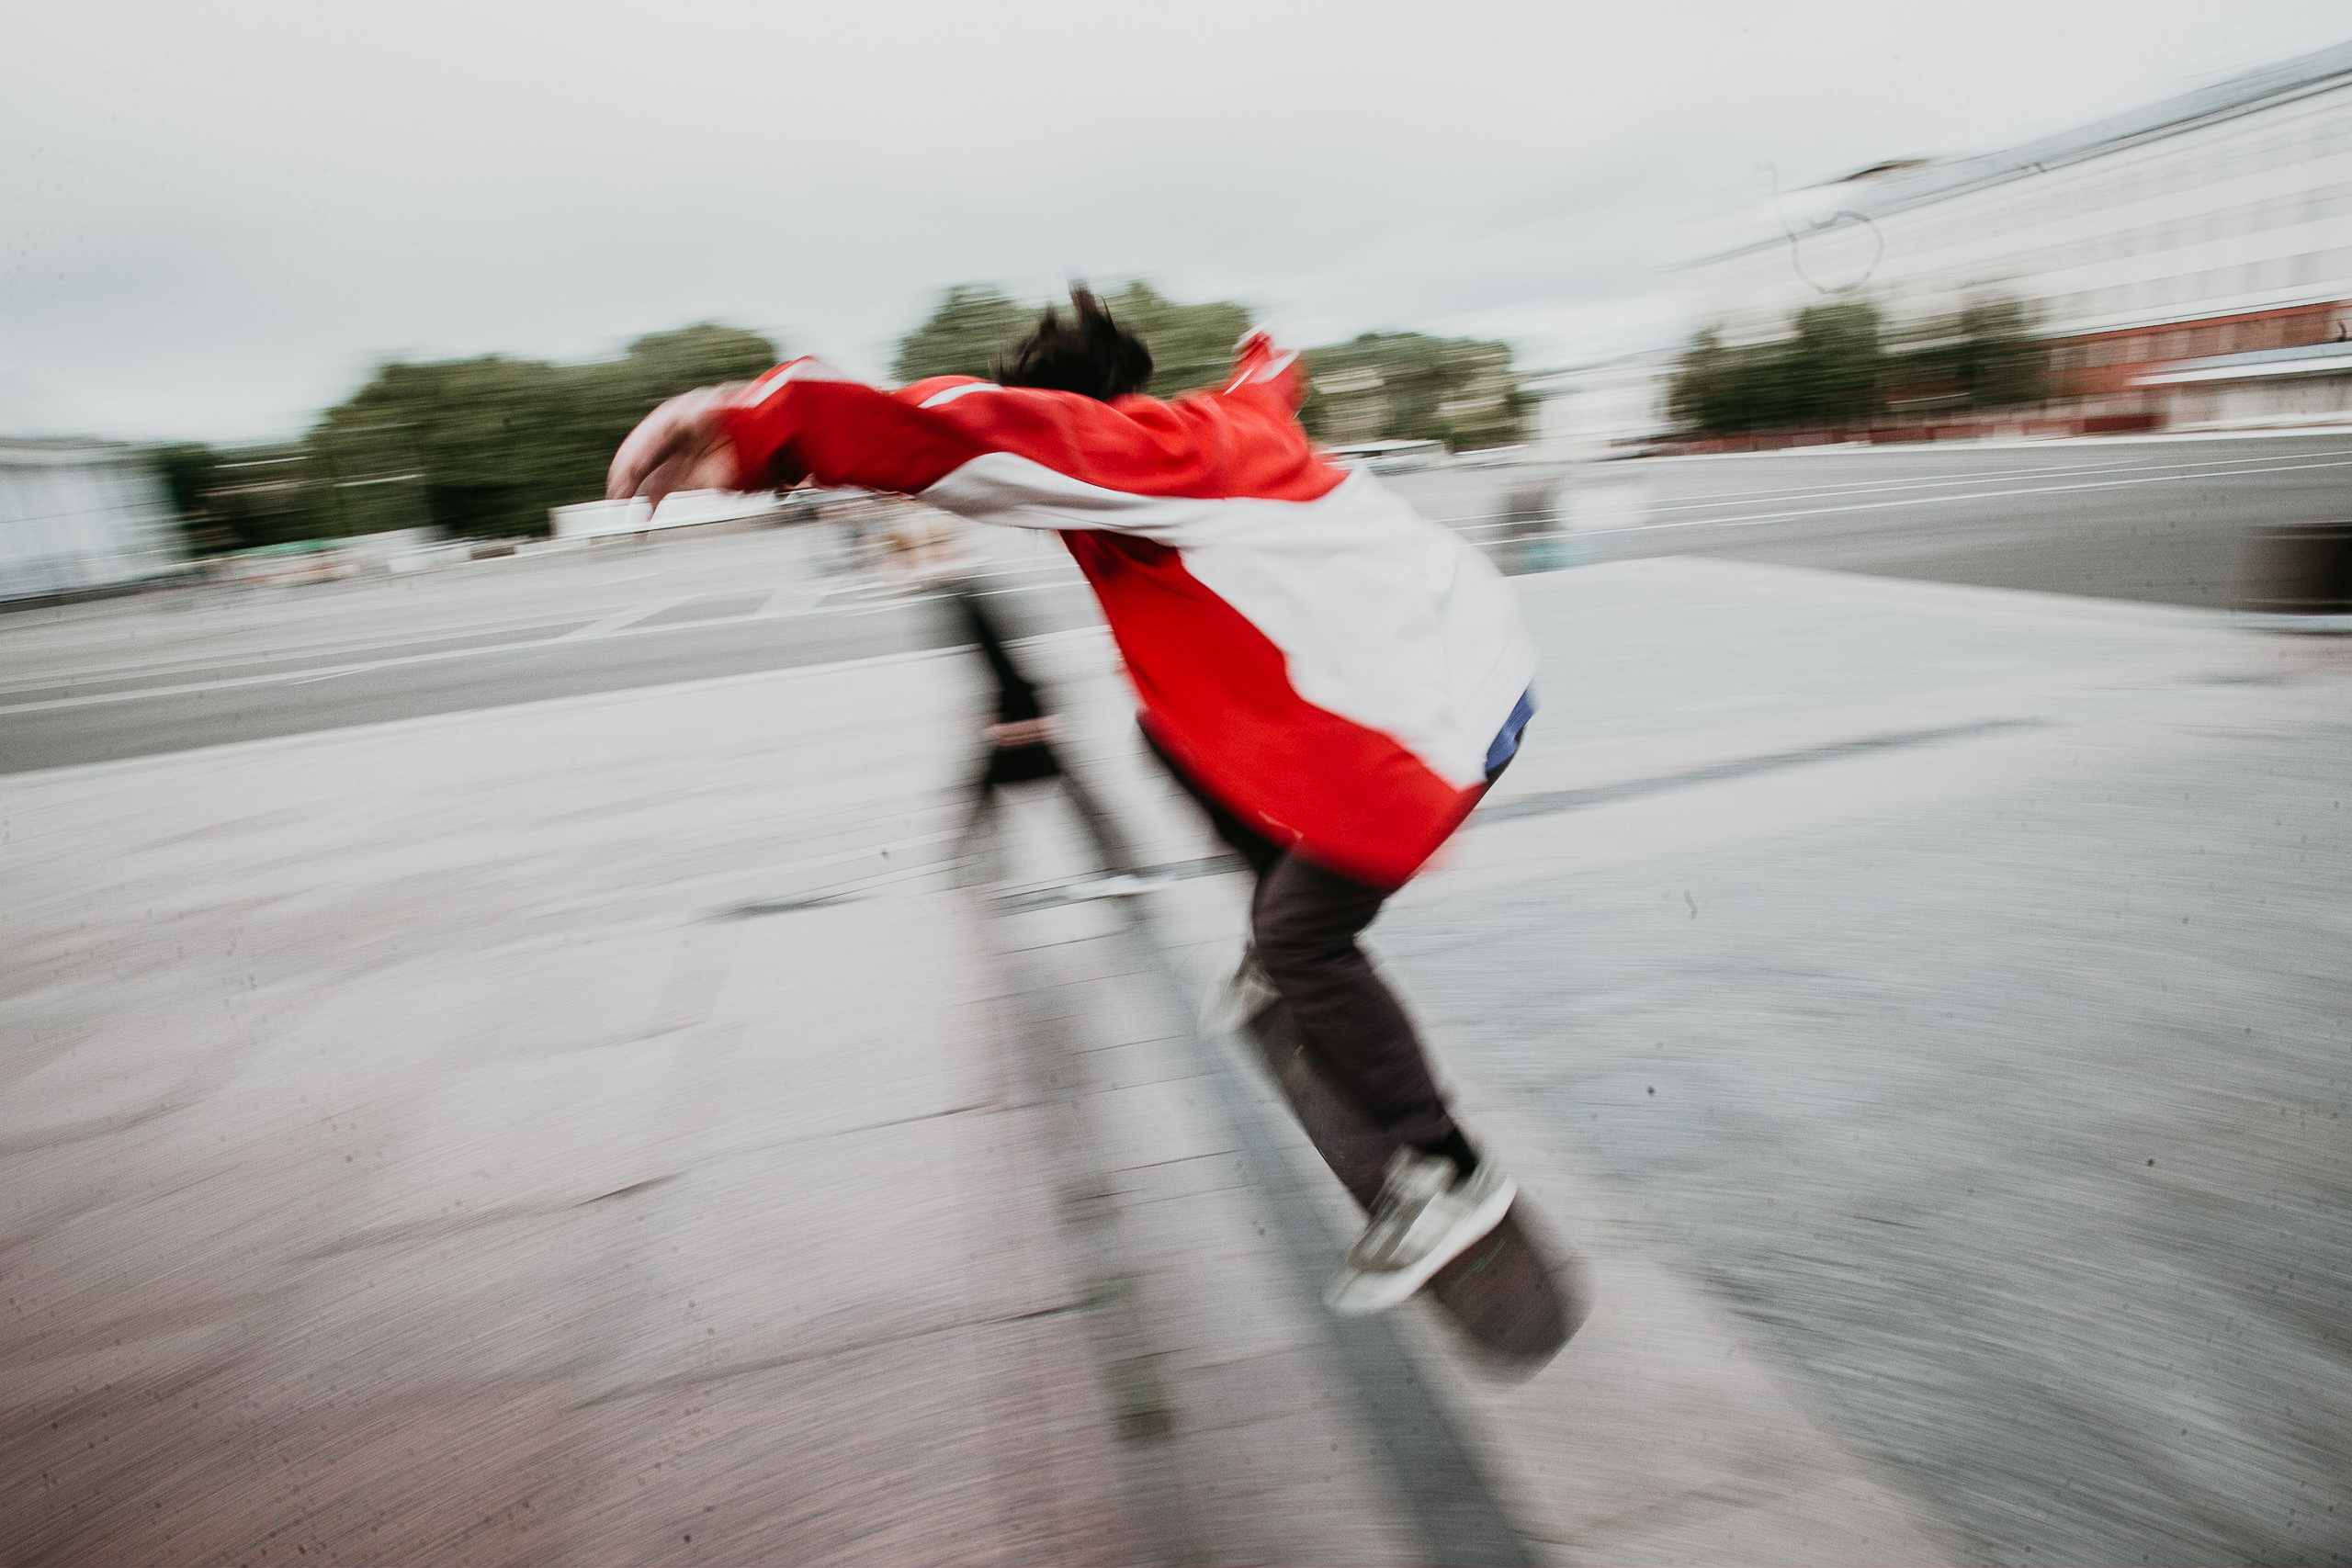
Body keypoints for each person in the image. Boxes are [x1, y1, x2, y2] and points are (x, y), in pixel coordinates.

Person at [608, 288, 1538, 1314]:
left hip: (1421, 714)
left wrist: (751, 423)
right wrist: (1272, 335)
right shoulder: (1213, 426)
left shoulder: (1129, 453)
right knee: (1168, 728)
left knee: (1304, 939)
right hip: (1462, 651)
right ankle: (1285, 948)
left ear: (1076, 416)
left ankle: (1449, 1172)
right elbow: (1266, 378)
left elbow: (949, 427)